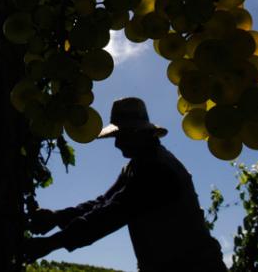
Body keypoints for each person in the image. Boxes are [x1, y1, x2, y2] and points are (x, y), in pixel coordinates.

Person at [24, 97, 227, 272]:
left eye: (122, 136)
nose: (117, 143)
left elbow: (115, 213)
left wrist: (53, 243)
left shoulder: (158, 170)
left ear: (141, 133)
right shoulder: (136, 166)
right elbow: (103, 203)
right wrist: (57, 217)